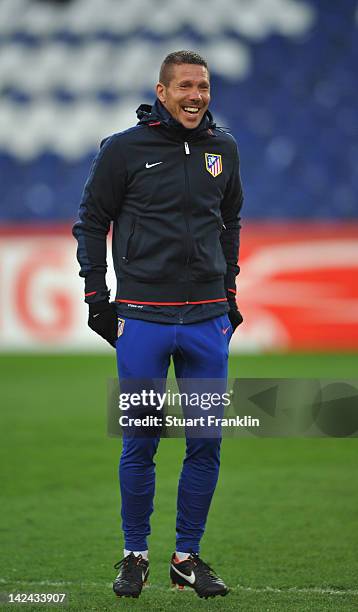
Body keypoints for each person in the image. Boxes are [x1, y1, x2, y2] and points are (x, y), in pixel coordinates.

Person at [72, 50, 243, 599]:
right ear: (163, 92)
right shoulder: (123, 149)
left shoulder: (225, 149)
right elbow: (91, 222)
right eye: (186, 86)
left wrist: (230, 292)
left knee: (206, 442)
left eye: (204, 87)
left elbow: (230, 220)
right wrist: (98, 298)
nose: (197, 96)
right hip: (144, 320)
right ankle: (134, 554)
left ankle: (187, 557)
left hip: (206, 322)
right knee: (140, 442)